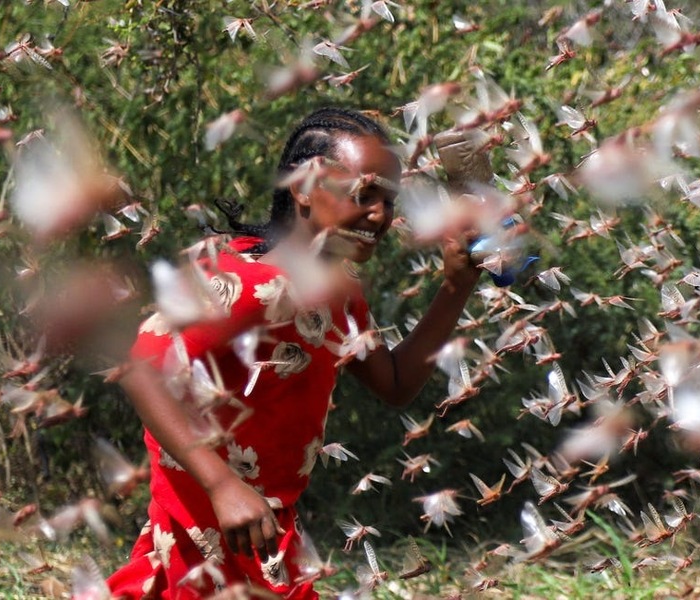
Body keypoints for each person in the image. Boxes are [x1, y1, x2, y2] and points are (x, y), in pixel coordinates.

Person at [106, 107, 485, 598]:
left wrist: (456, 285)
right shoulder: (244, 284)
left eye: (389, 202)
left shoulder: (337, 288)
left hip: (266, 542)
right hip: (198, 545)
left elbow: (393, 384)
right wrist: (222, 485)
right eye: (363, 195)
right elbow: (140, 368)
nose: (380, 215)